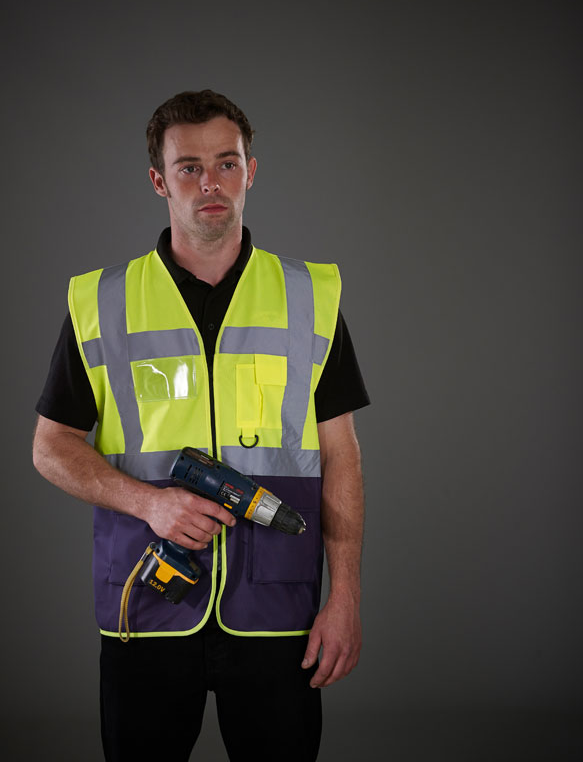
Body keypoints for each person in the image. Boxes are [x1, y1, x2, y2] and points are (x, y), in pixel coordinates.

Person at [32, 89, 369, 762]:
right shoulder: (103, 302)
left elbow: (341, 457)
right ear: (159, 181)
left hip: (277, 607)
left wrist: (346, 597)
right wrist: (148, 503)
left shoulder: (310, 297)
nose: (210, 183)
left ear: (251, 171)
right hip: (147, 597)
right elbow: (51, 448)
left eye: (226, 163)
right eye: (189, 167)